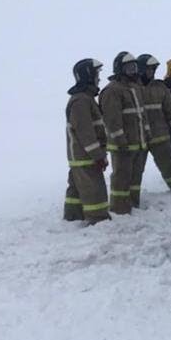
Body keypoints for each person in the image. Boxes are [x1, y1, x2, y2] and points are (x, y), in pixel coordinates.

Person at [99, 52, 150, 215]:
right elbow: (112, 120)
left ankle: (133, 203)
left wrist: (147, 134)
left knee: (136, 177)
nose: (132, 71)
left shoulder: (136, 88)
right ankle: (119, 208)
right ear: (119, 69)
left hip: (138, 143)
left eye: (134, 67)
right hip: (123, 146)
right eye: (128, 68)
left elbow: (142, 115)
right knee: (121, 178)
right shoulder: (112, 90)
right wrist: (120, 140)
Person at [135, 54, 171, 199]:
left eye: (153, 69)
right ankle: (129, 201)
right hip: (138, 138)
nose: (151, 73)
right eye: (148, 69)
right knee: (135, 170)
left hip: (160, 136)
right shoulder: (132, 89)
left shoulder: (160, 87)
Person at [64, 58, 111, 224]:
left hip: (81, 157)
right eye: (96, 74)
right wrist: (98, 156)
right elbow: (85, 132)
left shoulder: (85, 98)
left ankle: (73, 217)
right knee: (94, 190)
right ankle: (98, 220)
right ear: (88, 75)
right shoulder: (81, 101)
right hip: (85, 157)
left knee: (76, 190)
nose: (99, 78)